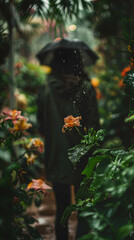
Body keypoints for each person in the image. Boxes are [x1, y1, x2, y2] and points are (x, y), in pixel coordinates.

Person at [36, 38, 99, 240]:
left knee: (62, 209)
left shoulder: (46, 90)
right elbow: (94, 127)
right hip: (84, 159)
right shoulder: (86, 89)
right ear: (79, 63)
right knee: (84, 206)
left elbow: (41, 125)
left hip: (56, 156)